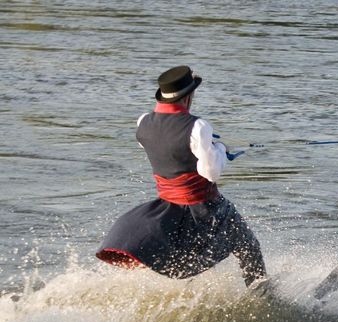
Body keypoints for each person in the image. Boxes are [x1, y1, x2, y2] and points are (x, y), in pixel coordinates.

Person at [96, 65, 266, 287]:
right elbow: (211, 172)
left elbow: (162, 148)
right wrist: (221, 150)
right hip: (204, 210)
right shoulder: (198, 126)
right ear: (188, 97)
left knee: (199, 256)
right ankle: (263, 294)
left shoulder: (143, 122)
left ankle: (203, 292)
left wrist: (202, 146)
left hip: (169, 212)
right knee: (247, 245)